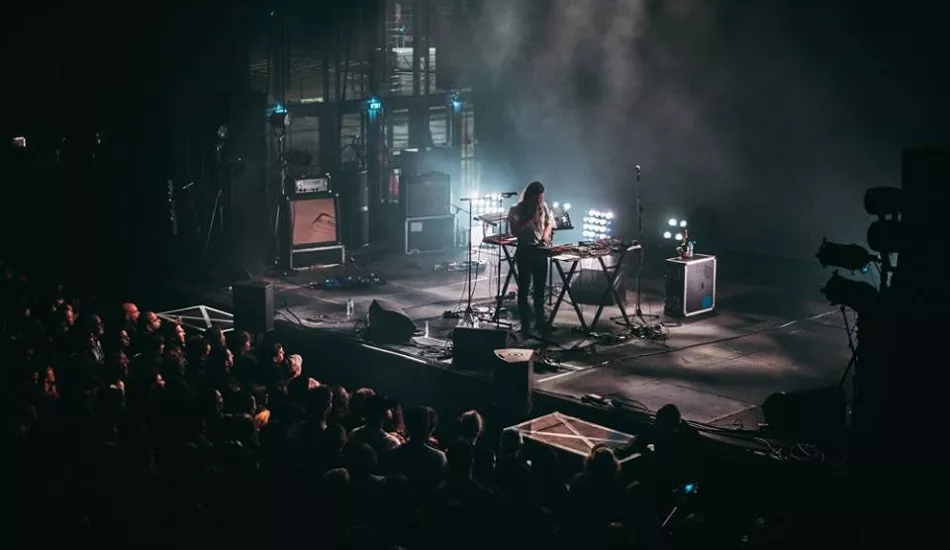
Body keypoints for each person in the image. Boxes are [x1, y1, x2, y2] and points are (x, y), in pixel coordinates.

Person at [507, 181, 555, 335]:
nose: (539, 202)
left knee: (540, 288)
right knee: (524, 288)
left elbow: (549, 223)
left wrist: (546, 236)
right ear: (529, 196)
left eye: (540, 199)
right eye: (536, 199)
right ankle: (525, 323)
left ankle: (540, 321)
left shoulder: (544, 206)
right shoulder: (517, 209)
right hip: (525, 250)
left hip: (540, 250)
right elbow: (514, 231)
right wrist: (529, 216)